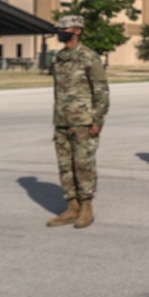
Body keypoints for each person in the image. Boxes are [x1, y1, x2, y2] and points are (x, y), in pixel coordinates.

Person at [47, 14, 109, 228]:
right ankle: (71, 206)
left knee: (83, 165)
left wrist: (97, 121)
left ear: (78, 31)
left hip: (84, 121)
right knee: (65, 166)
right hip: (62, 120)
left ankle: (86, 207)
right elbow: (57, 91)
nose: (61, 32)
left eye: (66, 29)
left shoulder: (89, 57)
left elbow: (101, 91)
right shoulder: (58, 58)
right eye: (60, 29)